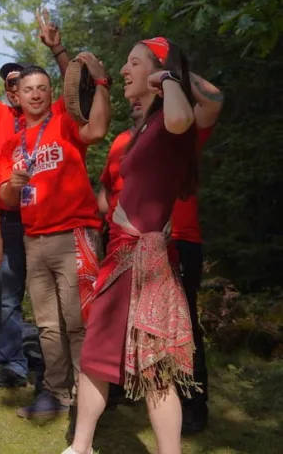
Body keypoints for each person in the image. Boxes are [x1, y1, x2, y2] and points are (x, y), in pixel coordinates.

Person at [67, 40, 199, 454]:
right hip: (123, 256)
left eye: (135, 62)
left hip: (143, 262)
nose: (126, 68)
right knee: (97, 354)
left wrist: (169, 77)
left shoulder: (170, 121)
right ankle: (81, 446)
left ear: (158, 73)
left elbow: (188, 114)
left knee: (156, 366)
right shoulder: (145, 126)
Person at [97, 37, 223, 434]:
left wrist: (170, 75)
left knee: (178, 329)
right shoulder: (125, 142)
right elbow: (110, 192)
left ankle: (192, 407)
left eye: (135, 66)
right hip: (127, 245)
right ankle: (127, 391)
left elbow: (213, 100)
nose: (130, 86)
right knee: (128, 327)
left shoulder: (179, 123)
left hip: (176, 238)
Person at [0, 56, 110, 420]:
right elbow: (5, 199)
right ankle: (58, 392)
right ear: (16, 94)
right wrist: (13, 187)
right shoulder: (11, 144)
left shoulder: (63, 121)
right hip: (34, 239)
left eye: (43, 89)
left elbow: (96, 131)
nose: (35, 95)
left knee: (79, 320)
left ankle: (86, 393)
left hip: (73, 233)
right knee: (47, 324)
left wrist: (101, 82)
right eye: (28, 89)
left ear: (51, 94)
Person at [0, 11, 73, 391]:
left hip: (52, 219)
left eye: (24, 82)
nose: (17, 89)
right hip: (13, 219)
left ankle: (62, 371)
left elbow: (78, 92)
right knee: (9, 298)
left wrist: (57, 49)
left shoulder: (53, 115)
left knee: (62, 303)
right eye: (10, 83)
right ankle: (13, 363)